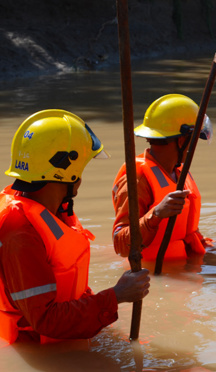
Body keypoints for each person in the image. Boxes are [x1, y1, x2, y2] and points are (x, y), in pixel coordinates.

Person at [0, 110, 150, 345]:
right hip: (43, 351)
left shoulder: (48, 208)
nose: (81, 178)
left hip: (68, 338)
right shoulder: (21, 230)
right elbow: (45, 320)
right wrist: (116, 296)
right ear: (67, 173)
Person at [112, 94, 212, 268]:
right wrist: (156, 214)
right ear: (181, 140)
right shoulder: (137, 178)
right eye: (194, 139)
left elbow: (188, 233)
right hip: (158, 276)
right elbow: (121, 245)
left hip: (185, 270)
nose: (195, 145)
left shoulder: (179, 171)